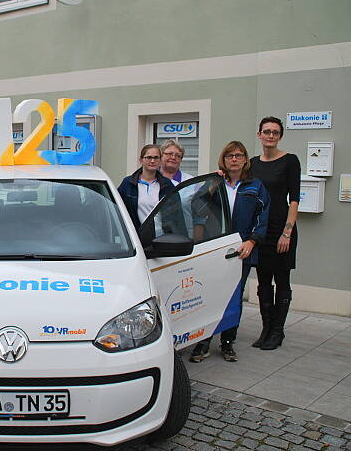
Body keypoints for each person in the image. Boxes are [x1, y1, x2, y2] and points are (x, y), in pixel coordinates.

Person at [189, 141, 269, 363]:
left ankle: (227, 342)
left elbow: (263, 216)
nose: (234, 159)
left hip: (241, 250)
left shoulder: (255, 186)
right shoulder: (215, 183)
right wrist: (211, 186)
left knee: (234, 297)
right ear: (223, 160)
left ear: (245, 160)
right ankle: (203, 342)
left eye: (238, 155)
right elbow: (196, 206)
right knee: (209, 295)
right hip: (215, 248)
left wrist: (252, 241)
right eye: (229, 156)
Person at [250, 117, 300, 350]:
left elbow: (294, 199)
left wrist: (286, 233)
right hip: (262, 230)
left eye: (275, 132)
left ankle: (277, 331)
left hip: (282, 230)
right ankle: (266, 329)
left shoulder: (290, 161)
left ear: (280, 136)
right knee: (263, 282)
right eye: (267, 131)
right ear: (259, 134)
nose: (271, 135)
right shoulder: (252, 164)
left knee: (281, 280)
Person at [118, 144, 176, 231]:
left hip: (161, 236)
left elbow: (175, 215)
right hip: (136, 235)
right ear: (141, 160)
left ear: (160, 161)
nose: (152, 161)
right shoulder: (128, 183)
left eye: (156, 158)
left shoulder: (167, 185)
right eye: (148, 157)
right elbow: (118, 209)